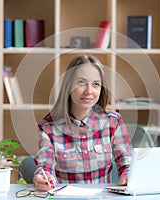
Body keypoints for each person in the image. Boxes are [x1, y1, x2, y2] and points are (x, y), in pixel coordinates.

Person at [33, 55, 132, 191]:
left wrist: (127, 176)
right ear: (68, 86)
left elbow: (127, 164)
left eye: (96, 84)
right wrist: (43, 178)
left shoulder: (113, 122)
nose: (89, 91)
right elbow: (45, 166)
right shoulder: (48, 128)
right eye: (81, 82)